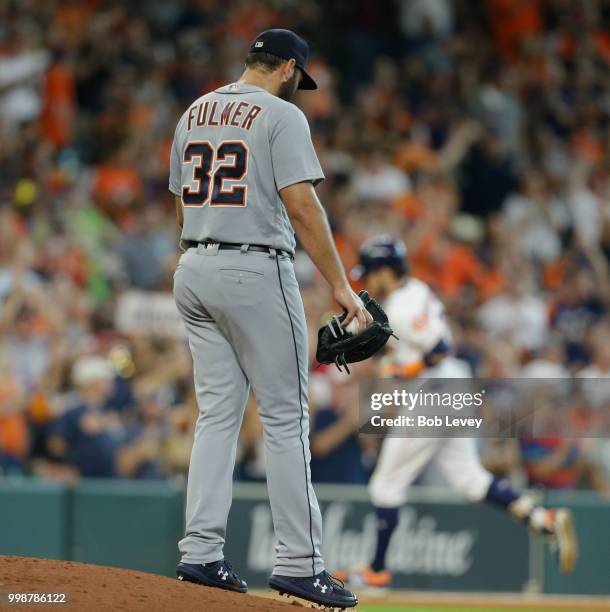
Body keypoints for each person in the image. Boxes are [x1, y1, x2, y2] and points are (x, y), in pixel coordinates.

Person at [169, 29, 367, 609]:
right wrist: (340, 287)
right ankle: (301, 565)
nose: (298, 88)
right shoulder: (281, 114)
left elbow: (182, 200)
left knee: (217, 416)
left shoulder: (194, 110)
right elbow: (302, 203)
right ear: (286, 69)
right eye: (297, 78)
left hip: (195, 264)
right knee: (285, 417)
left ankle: (201, 552)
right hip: (254, 270)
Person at [340, 235, 578, 588]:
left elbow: (441, 346)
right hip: (451, 390)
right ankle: (543, 519)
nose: (366, 280)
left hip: (435, 393)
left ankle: (376, 571)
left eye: (370, 272)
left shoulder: (402, 307)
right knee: (470, 480)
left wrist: (404, 370)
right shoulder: (413, 290)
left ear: (385, 270)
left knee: (386, 485)